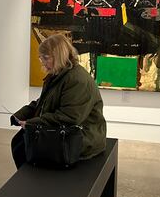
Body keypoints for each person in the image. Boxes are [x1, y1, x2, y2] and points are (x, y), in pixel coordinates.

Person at [11, 34, 106, 169]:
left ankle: (35, 186)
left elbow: (69, 117)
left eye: (46, 57)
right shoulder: (58, 74)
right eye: (41, 57)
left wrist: (31, 123)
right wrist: (20, 115)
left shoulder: (76, 80)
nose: (42, 62)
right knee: (20, 142)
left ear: (59, 55)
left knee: (22, 147)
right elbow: (43, 102)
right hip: (66, 132)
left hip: (80, 139)